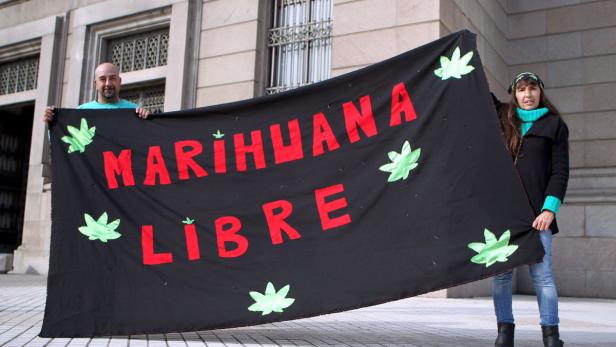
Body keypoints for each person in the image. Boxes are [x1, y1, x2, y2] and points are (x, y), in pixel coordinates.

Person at [492, 72, 569, 347]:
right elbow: (474, 91)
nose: (527, 94)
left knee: (543, 277)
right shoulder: (503, 117)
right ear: (514, 93)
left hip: (538, 216)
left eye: (532, 88)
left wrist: (549, 210)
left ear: (540, 91)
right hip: (504, 212)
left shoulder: (554, 125)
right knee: (501, 276)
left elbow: (560, 172)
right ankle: (504, 334)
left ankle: (551, 337)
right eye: (521, 89)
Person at [43, 62, 150, 122]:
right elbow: (63, 144)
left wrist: (148, 121)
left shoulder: (134, 111)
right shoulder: (79, 112)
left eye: (112, 78)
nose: (108, 83)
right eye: (103, 79)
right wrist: (53, 121)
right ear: (95, 84)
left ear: (119, 82)